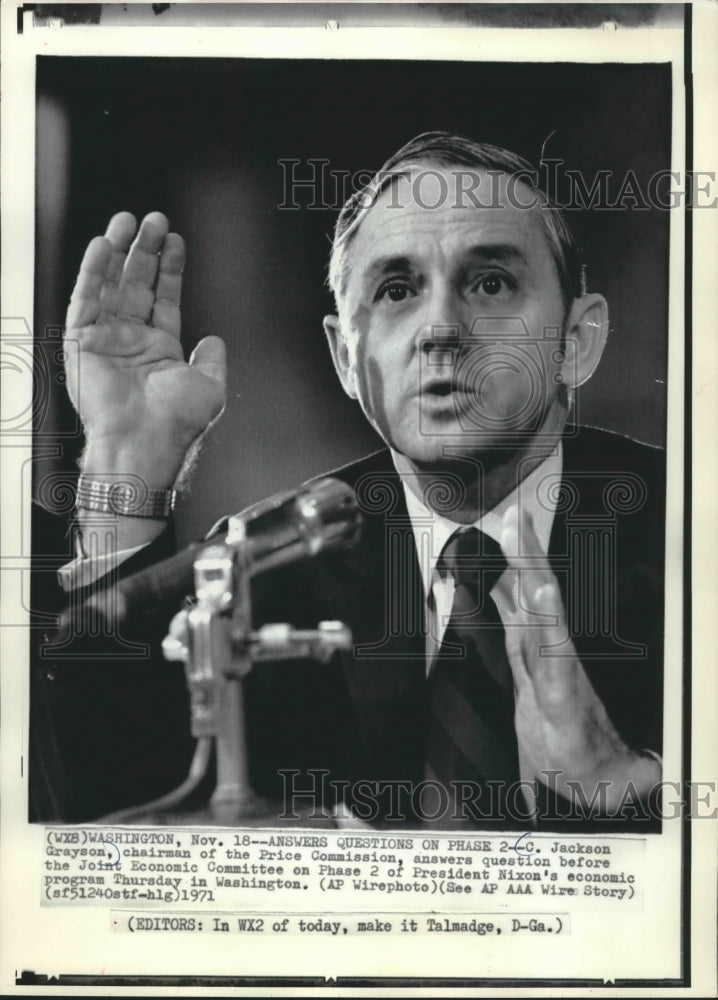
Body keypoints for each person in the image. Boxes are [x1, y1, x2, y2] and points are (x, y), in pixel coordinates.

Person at [31, 132, 664, 829]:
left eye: (490, 283)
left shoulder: (691, 535)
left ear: (576, 340)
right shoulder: (266, 566)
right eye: (397, 290)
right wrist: (125, 461)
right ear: (343, 357)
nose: (440, 331)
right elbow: (111, 820)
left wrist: (625, 786)